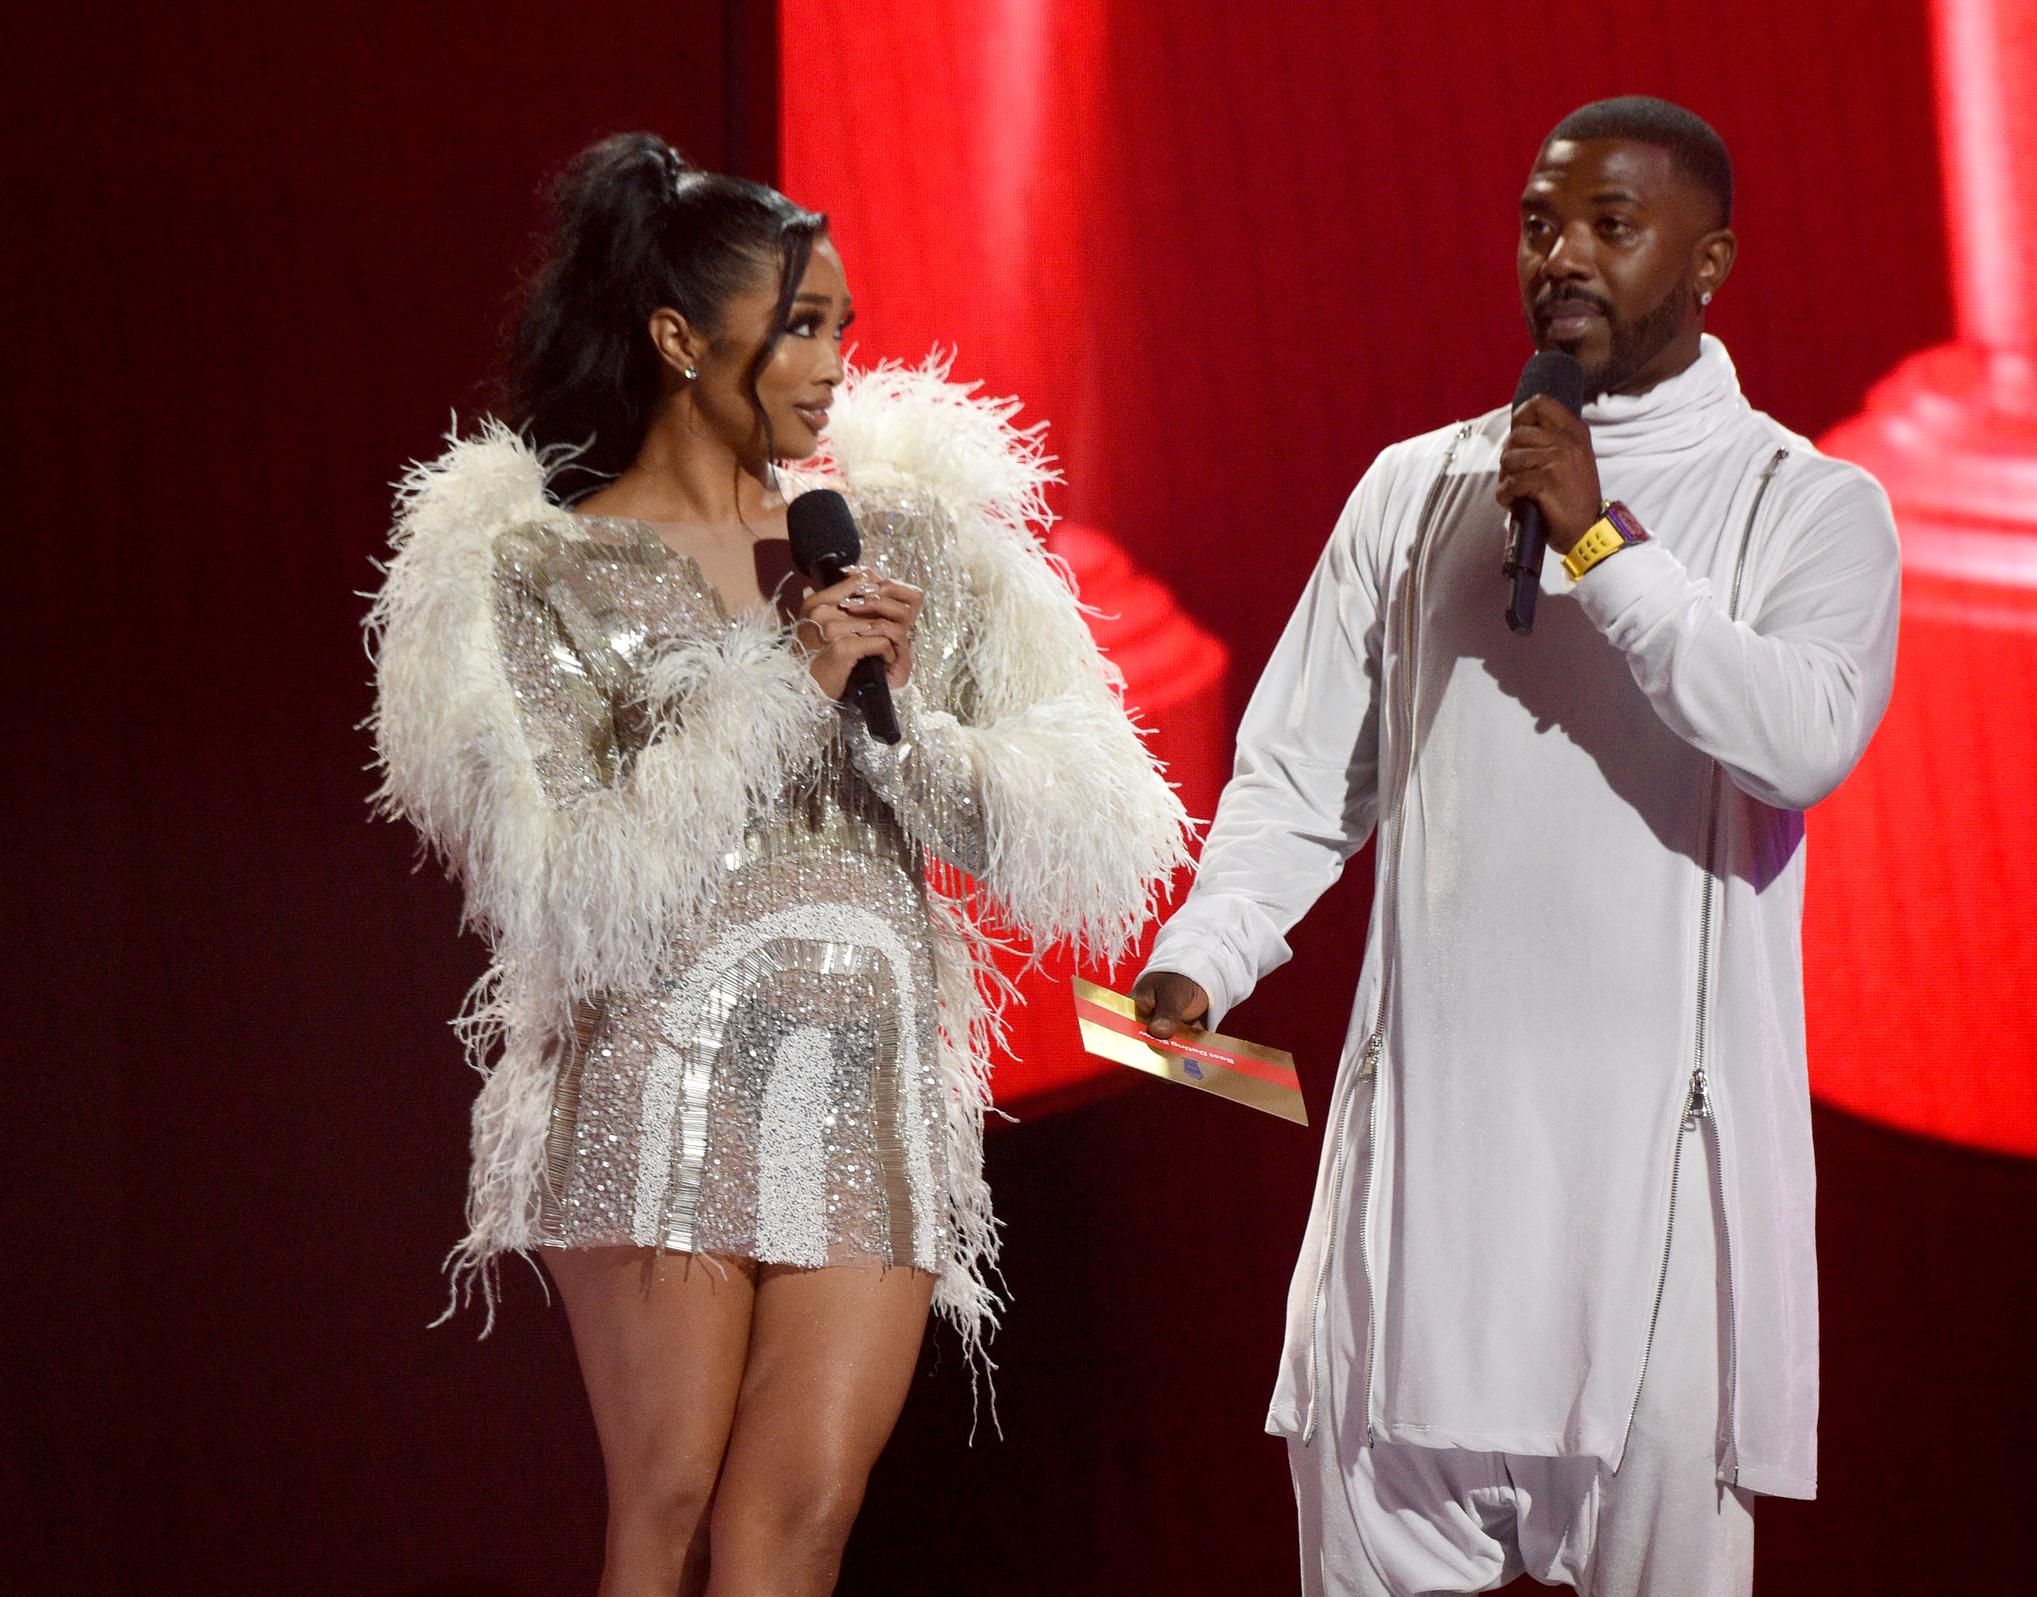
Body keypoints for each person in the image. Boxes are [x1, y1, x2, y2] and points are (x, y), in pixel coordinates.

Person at [367, 132, 1186, 1597]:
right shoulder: (539, 567)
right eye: (800, 325)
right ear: (681, 337)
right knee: (672, 1502)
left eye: (842, 329)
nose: (830, 364)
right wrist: (781, 681)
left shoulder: (899, 536)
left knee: (791, 1529)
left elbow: (1089, 819)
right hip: (656, 1067)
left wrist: (911, 730)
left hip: (862, 1074)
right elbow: (569, 888)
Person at [1134, 98, 1900, 1595]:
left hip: (1654, 1212)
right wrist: (1200, 959)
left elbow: (1800, 732)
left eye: (1612, 226)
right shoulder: (1416, 490)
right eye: (1543, 224)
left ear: (1711, 259)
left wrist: (1606, 551)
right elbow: (1298, 775)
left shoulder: (1807, 505)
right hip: (1421, 1196)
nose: (1563, 258)